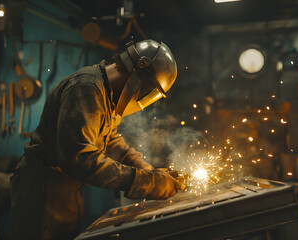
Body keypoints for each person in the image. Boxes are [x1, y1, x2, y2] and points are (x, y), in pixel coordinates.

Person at [10, 39, 185, 240]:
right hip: (41, 191)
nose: (144, 100)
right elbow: (80, 158)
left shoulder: (106, 94)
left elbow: (108, 139)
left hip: (64, 189)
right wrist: (145, 181)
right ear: (138, 73)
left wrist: (143, 167)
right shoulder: (86, 88)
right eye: (149, 93)